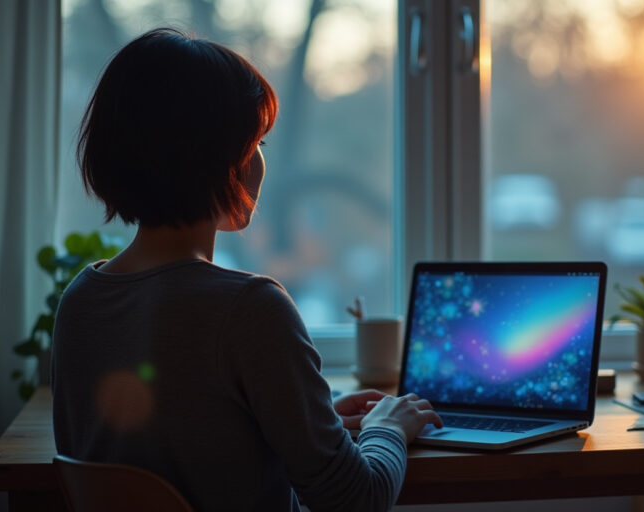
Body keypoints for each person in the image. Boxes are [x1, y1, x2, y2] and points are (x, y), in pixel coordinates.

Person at [51, 28, 442, 512]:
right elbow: (355, 500)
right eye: (255, 140)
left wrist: (308, 425)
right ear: (214, 157)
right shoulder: (249, 309)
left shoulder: (80, 302)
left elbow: (181, 451)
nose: (260, 158)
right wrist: (389, 429)